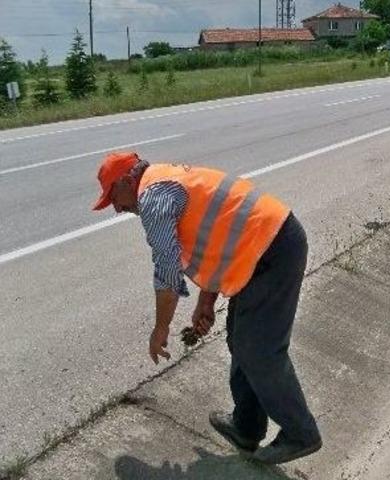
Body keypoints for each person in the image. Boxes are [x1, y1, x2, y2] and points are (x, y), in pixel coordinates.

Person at [91, 152, 321, 465]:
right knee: (240, 339)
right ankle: (246, 427)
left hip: (272, 249)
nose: (117, 208)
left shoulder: (153, 199)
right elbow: (217, 238)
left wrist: (161, 329)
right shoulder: (165, 179)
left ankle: (301, 433)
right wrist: (205, 302)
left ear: (127, 180)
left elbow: (168, 271)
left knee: (259, 349)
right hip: (260, 249)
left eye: (113, 197)